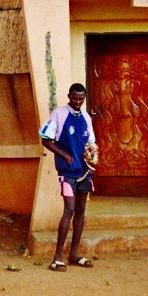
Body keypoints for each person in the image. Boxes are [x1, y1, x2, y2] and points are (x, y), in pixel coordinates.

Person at [39, 83, 96, 272]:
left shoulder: (86, 117)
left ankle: (74, 254)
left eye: (81, 99)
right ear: (69, 96)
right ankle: (57, 258)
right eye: (75, 98)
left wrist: (92, 155)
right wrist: (65, 155)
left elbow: (90, 142)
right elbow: (45, 139)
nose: (78, 102)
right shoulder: (59, 114)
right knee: (69, 209)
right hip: (67, 172)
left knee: (81, 211)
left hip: (84, 172)